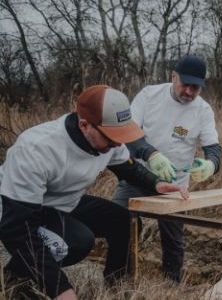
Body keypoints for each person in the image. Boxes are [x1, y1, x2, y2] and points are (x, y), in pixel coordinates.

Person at [0, 85, 187, 300]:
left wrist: (156, 183)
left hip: (63, 200)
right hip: (18, 207)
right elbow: (17, 229)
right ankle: (16, 278)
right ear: (85, 125)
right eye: (111, 138)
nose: (117, 143)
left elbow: (127, 166)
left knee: (123, 220)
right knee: (78, 241)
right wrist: (60, 288)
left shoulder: (107, 139)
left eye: (120, 136)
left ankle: (115, 285)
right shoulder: (37, 149)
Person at [112, 54, 222, 282]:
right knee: (118, 222)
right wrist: (150, 154)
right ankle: (118, 279)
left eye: (196, 88)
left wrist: (212, 164)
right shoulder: (149, 96)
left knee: (173, 239)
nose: (190, 92)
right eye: (186, 84)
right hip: (138, 176)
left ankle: (171, 284)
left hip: (175, 186)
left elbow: (214, 148)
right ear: (173, 76)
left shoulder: (203, 110)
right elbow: (128, 133)